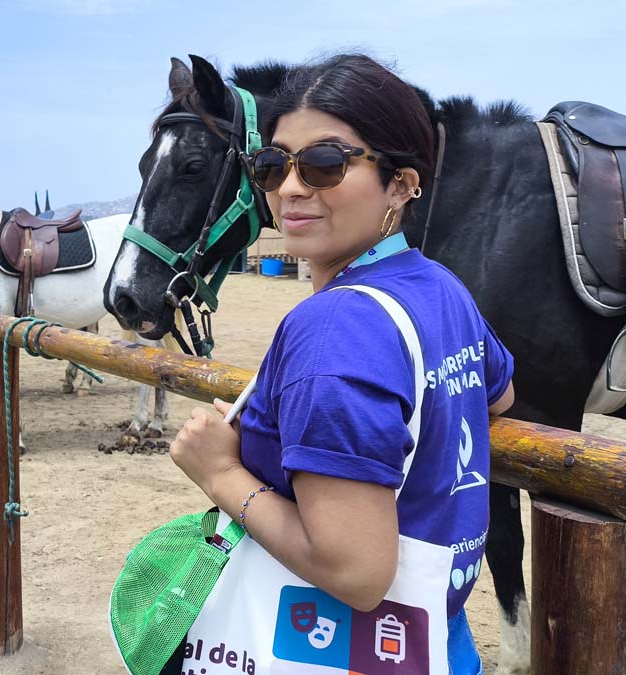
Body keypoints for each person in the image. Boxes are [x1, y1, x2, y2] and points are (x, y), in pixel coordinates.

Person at [168, 54, 514, 673]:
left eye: (326, 163)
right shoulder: (440, 287)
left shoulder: (332, 330)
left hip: (333, 646)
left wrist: (220, 472)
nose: (291, 188)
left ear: (403, 183)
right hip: (438, 634)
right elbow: (499, 397)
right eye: (272, 166)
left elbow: (356, 573)